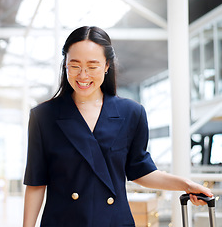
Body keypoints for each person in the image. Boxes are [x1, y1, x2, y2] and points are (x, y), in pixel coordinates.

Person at [22, 26, 213, 226]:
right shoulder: (43, 116)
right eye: (75, 65)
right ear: (65, 65)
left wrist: (186, 184)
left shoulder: (132, 113)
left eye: (92, 66)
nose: (83, 75)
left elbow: (141, 171)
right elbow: (36, 182)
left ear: (107, 65)